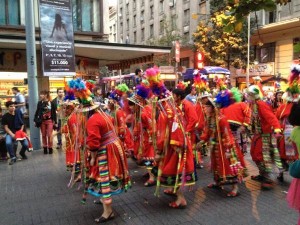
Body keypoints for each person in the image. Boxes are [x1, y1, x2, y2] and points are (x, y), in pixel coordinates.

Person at [201, 98, 245, 197]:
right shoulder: (209, 118)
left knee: (229, 166)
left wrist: (228, 149)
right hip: (215, 145)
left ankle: (235, 188)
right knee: (216, 165)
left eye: (207, 106)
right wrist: (202, 141)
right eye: (204, 106)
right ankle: (218, 182)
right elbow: (207, 132)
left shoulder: (222, 119)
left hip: (224, 146)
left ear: (213, 108)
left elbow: (227, 134)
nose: (204, 108)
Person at [247, 85, 283, 189]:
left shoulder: (261, 105)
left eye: (249, 95)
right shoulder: (253, 105)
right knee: (254, 154)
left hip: (265, 136)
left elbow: (271, 118)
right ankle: (262, 174)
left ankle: (268, 179)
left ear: (254, 95)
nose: (248, 97)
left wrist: (277, 129)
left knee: (262, 156)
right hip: (258, 134)